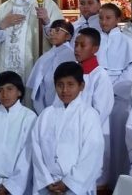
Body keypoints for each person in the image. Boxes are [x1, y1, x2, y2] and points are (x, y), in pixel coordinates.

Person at [29, 62, 104, 194]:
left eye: (70, 84)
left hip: (76, 187)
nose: (64, 90)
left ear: (81, 86)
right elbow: (36, 149)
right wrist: (46, 180)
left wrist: (69, 183)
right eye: (60, 85)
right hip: (48, 185)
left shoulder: (89, 115)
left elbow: (92, 154)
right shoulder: (45, 115)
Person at [97, 3, 132, 185]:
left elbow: (129, 71)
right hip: (98, 96)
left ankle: (118, 180)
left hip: (118, 97)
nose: (104, 21)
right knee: (100, 139)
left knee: (119, 139)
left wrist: (112, 90)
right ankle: (100, 180)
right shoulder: (95, 40)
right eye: (101, 18)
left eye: (108, 18)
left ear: (117, 19)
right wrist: (100, 91)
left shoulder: (126, 41)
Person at [0, 72, 37, 195]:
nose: (4, 94)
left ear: (19, 92)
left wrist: (11, 186)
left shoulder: (29, 117)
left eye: (9, 89)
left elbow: (27, 156)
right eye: (0, 90)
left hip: (18, 186)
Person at [74, 27, 115, 189]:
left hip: (91, 134)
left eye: (82, 45)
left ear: (95, 48)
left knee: (93, 180)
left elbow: (100, 112)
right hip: (72, 133)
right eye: (76, 44)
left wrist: (80, 129)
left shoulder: (100, 76)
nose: (77, 49)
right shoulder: (73, 73)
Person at [27, 19, 76, 114]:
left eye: (57, 30)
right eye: (51, 30)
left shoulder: (71, 55)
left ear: (68, 36)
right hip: (46, 99)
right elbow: (37, 84)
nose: (52, 33)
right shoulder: (47, 55)